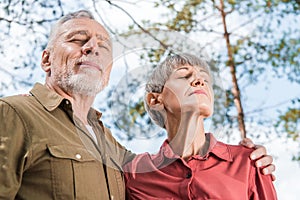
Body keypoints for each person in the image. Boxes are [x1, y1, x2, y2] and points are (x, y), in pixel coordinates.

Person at [0, 10, 274, 200]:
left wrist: (253, 157)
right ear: (46, 60)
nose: (93, 47)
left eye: (103, 46)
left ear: (107, 73)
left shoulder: (114, 150)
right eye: (77, 39)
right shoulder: (14, 114)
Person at [124, 53, 277, 199]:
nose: (200, 81)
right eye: (184, 76)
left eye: (205, 79)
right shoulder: (136, 173)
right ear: (155, 100)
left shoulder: (249, 162)